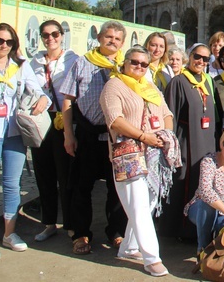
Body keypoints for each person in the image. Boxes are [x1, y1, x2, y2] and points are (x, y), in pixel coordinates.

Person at [100, 46, 176, 277]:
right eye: (135, 62)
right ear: (124, 63)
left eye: (144, 64)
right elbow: (115, 120)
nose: (140, 67)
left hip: (153, 153)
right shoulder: (114, 85)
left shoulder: (149, 86)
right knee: (140, 205)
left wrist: (164, 136)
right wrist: (144, 136)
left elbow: (166, 114)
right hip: (129, 153)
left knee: (148, 203)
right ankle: (152, 258)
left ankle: (129, 247)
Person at [0, 23, 49, 261]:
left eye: (9, 42)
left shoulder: (20, 67)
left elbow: (39, 92)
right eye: (0, 41)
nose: (4, 46)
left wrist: (41, 101)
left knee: (12, 185)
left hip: (15, 133)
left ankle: (9, 233)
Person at [60, 20, 128, 255]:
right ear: (99, 38)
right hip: (88, 135)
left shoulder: (126, 66)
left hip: (115, 137)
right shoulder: (82, 62)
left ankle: (116, 231)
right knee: (81, 188)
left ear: (123, 43)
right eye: (108, 37)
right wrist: (69, 134)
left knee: (117, 188)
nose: (112, 41)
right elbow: (68, 99)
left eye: (117, 39)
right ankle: (80, 234)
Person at [28, 20, 78, 242]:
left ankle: (69, 222)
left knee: (65, 174)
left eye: (54, 34)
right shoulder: (34, 62)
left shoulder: (72, 60)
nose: (50, 39)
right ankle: (48, 222)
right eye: (46, 35)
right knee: (43, 172)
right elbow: (28, 89)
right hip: (40, 121)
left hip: (62, 120)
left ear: (62, 35)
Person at [162, 43, 218, 238]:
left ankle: (199, 227)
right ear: (190, 57)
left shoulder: (206, 82)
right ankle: (181, 229)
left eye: (205, 59)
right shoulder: (178, 82)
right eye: (197, 57)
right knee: (183, 181)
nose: (200, 61)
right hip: (186, 142)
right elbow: (170, 115)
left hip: (206, 142)